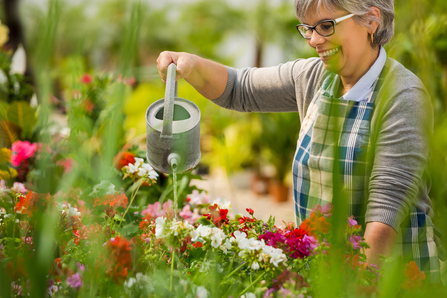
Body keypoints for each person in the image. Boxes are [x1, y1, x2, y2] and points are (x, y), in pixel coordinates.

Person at [156, 0, 441, 282]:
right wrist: (190, 65)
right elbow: (238, 88)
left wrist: (359, 287)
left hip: (389, 279)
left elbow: (384, 218)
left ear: (371, 20)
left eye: (326, 26)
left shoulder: (402, 95)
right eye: (308, 28)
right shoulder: (314, 77)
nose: (314, 40)